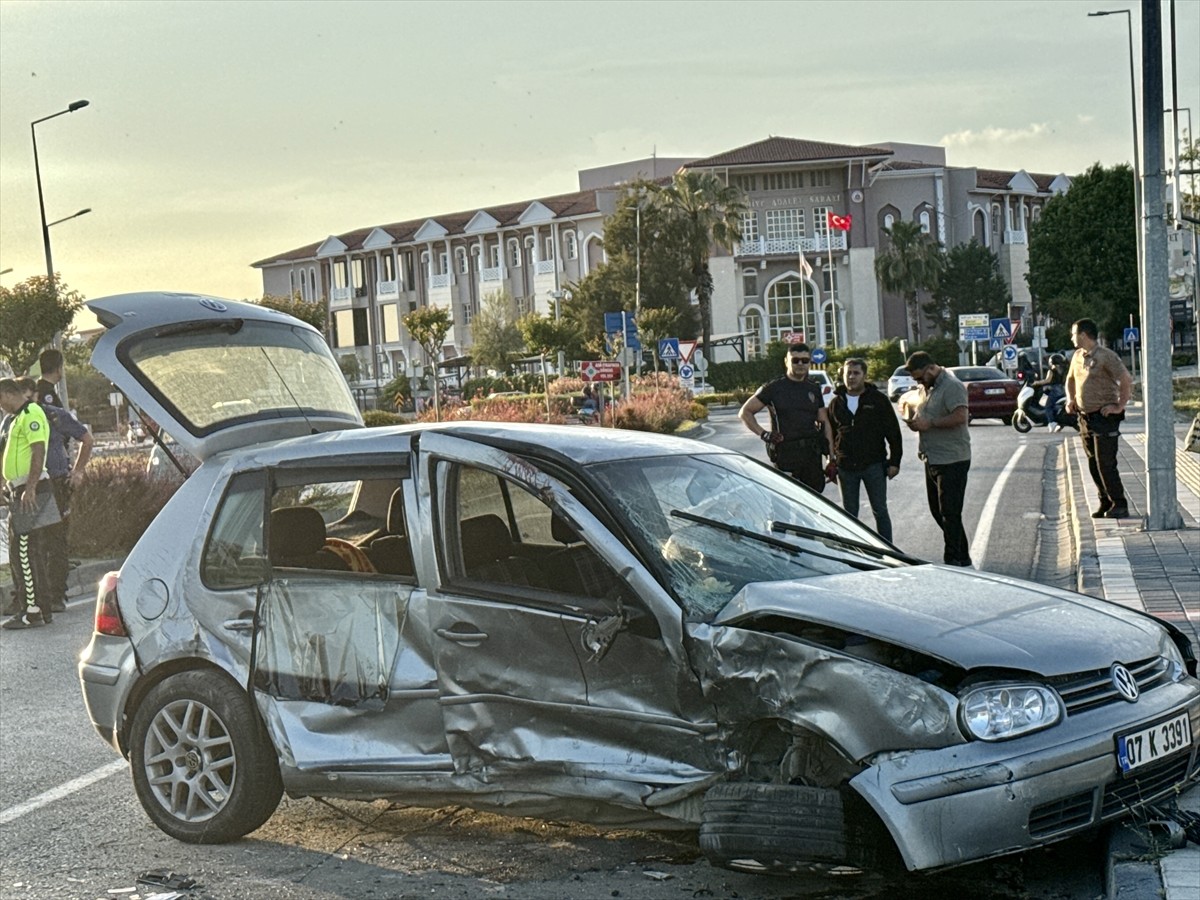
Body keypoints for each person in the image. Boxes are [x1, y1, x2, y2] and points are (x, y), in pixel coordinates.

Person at [14, 376, 92, 613]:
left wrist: (78, 471)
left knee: (54, 541)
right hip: (25, 486)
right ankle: (31, 597)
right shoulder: (13, 419)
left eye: (29, 396)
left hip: (54, 483)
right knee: (28, 543)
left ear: (36, 394)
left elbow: (86, 439)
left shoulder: (54, 416)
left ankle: (56, 594)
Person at [903, 351, 973, 567]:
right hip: (932, 457)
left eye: (920, 377)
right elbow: (916, 403)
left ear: (931, 368)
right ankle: (963, 558)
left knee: (949, 513)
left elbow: (960, 416)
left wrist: (930, 424)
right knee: (938, 511)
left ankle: (953, 561)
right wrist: (911, 412)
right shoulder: (928, 387)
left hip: (952, 458)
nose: (918, 382)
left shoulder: (951, 385)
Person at [739, 343, 834, 492]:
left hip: (811, 454)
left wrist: (830, 457)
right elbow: (745, 412)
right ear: (786, 361)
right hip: (786, 453)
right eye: (795, 360)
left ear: (810, 362)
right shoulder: (773, 388)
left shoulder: (813, 388)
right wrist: (763, 434)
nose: (800, 364)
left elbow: (824, 422)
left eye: (805, 360)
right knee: (788, 503)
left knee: (815, 501)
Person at [1, 378, 57, 628]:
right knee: (30, 551)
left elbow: (38, 450)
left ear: (8, 393)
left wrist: (31, 487)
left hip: (31, 489)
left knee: (22, 551)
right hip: (22, 488)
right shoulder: (16, 419)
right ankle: (41, 608)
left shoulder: (31, 412)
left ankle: (31, 611)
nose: (1, 406)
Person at [827, 358, 902, 542]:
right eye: (848, 374)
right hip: (846, 468)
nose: (851, 377)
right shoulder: (836, 403)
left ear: (864, 376)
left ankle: (887, 549)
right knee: (849, 515)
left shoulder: (878, 400)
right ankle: (852, 550)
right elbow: (830, 435)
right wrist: (832, 460)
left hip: (874, 465)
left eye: (856, 373)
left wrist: (895, 462)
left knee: (880, 510)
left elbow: (893, 433)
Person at [1064, 318, 1132, 518]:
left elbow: (1126, 379)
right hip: (1085, 417)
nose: (1072, 337)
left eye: (1074, 334)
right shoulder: (1077, 356)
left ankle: (1119, 503)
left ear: (1084, 335)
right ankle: (1104, 501)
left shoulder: (1106, 356)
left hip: (1104, 416)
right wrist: (1070, 399)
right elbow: (1069, 380)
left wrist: (1119, 406)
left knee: (1105, 463)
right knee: (1093, 463)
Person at [1031, 353, 1068, 431]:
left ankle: (1052, 422)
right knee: (1055, 405)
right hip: (1062, 389)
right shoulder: (1063, 369)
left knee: (1048, 406)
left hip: (1055, 389)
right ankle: (1059, 423)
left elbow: (1047, 380)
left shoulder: (1051, 371)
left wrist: (1036, 383)